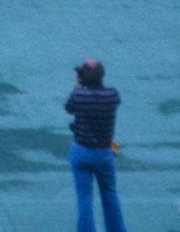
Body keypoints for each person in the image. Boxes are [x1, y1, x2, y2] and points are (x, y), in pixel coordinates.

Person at [65, 60, 128, 232]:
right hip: (103, 152)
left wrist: (78, 84)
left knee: (84, 198)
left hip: (81, 151)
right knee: (109, 194)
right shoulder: (112, 95)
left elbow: (69, 107)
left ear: (83, 77)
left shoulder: (79, 96)